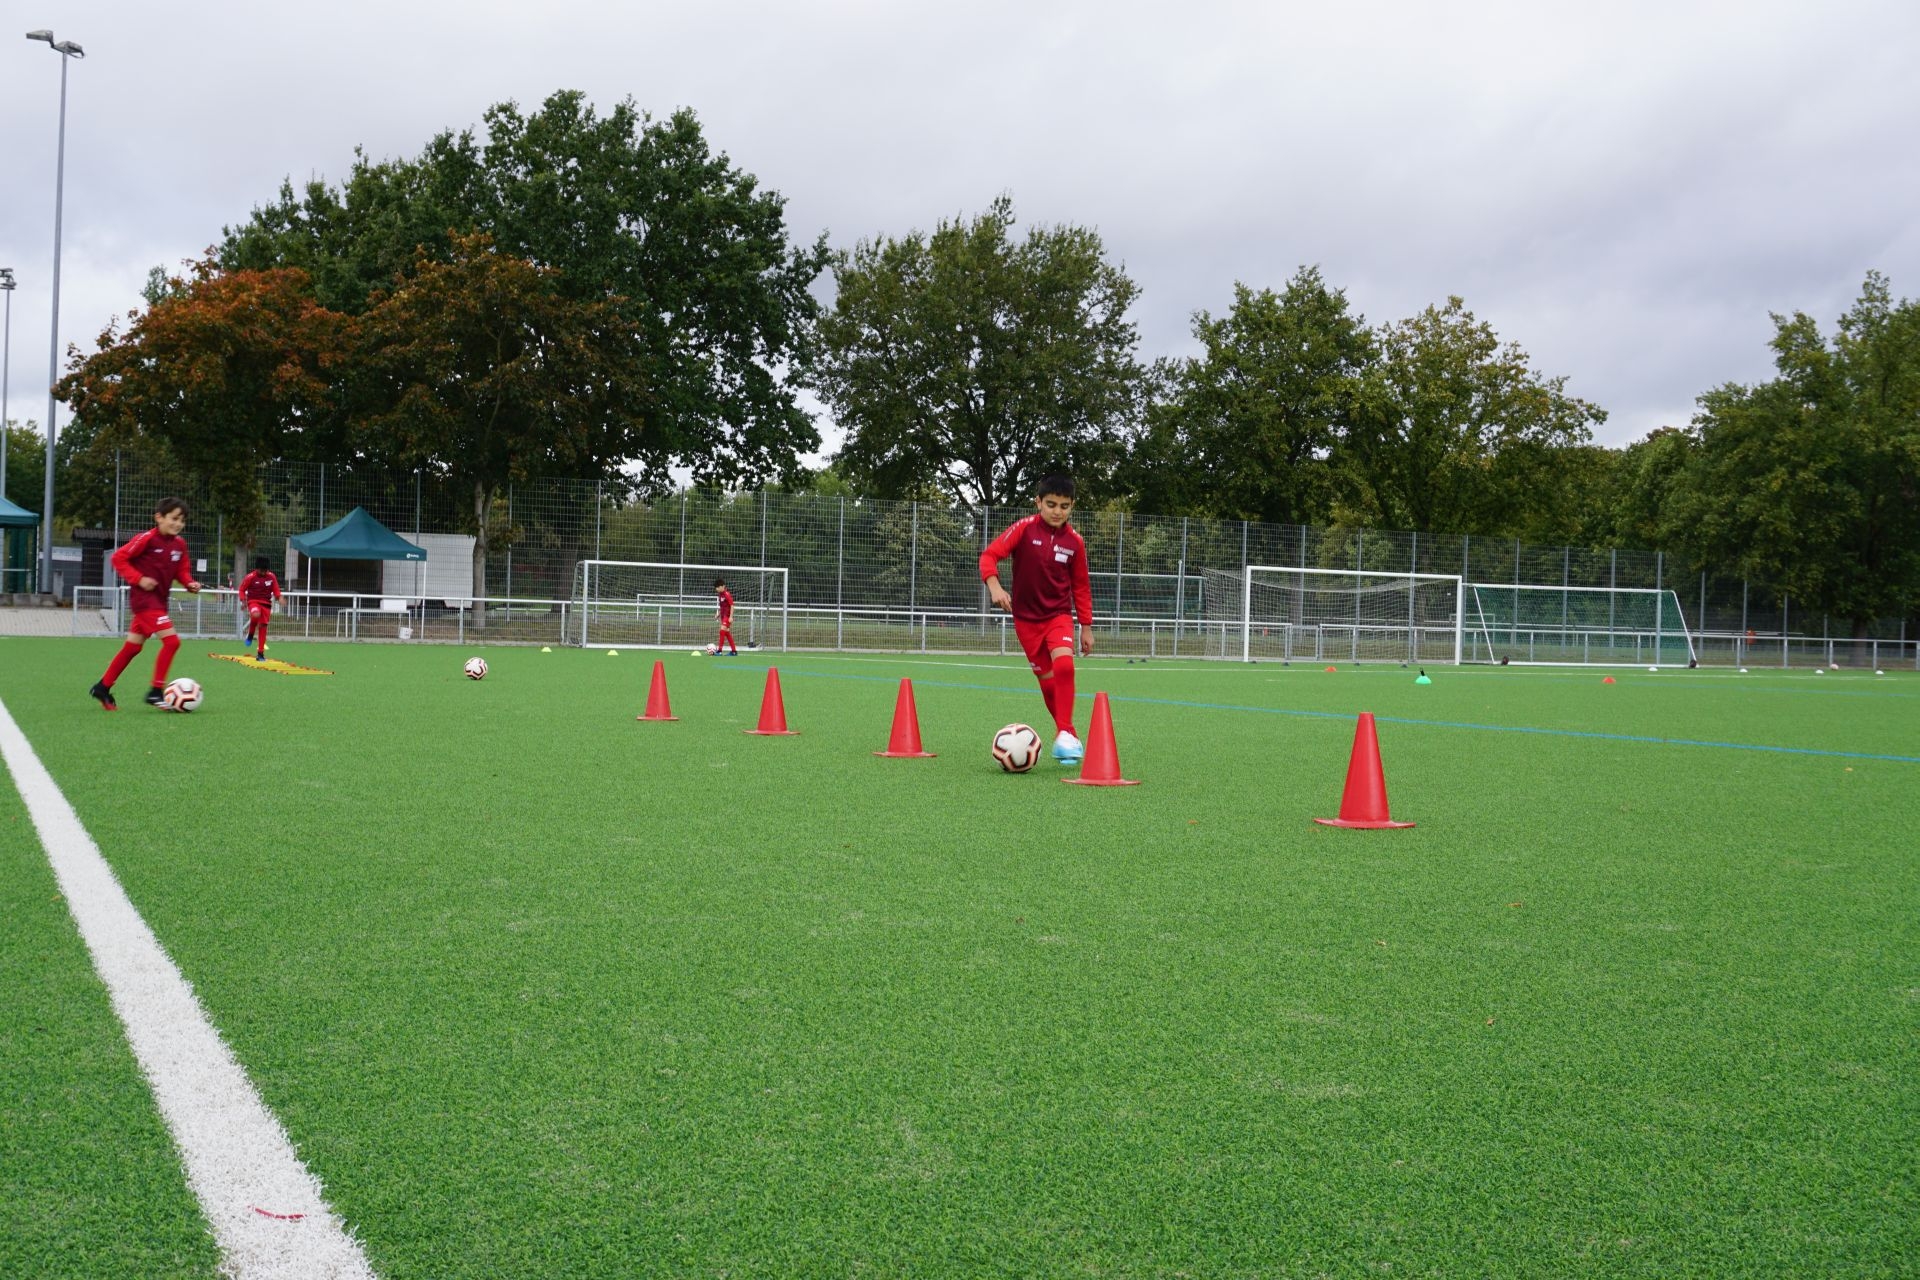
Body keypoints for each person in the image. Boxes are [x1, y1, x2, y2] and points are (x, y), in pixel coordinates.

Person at [979, 473, 1095, 764]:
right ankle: (1068, 733)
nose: (1057, 511)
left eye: (1064, 506)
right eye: (1051, 504)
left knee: (1064, 665)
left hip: (1058, 615)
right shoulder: (1024, 529)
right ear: (1038, 502)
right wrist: (995, 587)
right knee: (1046, 680)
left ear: (1072, 506)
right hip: (1026, 620)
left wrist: (1086, 627)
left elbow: (1081, 586)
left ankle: (1064, 734)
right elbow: (989, 556)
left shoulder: (1075, 542)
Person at [90, 496, 203, 710]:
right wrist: (139, 579)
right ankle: (155, 691)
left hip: (159, 602)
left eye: (182, 520)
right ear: (159, 517)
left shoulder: (180, 544)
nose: (178, 524)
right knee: (172, 642)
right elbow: (118, 558)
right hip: (144, 602)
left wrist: (190, 583)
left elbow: (182, 571)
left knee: (132, 647)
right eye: (174, 518)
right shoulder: (146, 539)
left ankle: (102, 687)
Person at [237, 554, 283, 662]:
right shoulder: (250, 577)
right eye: (261, 570)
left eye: (265, 570)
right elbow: (241, 590)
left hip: (266, 604)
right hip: (253, 602)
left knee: (263, 627)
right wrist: (243, 600)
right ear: (256, 568)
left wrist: (279, 597)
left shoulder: (271, 577)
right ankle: (250, 634)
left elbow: (276, 590)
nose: (263, 573)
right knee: (255, 614)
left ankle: (260, 653)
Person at [713, 577, 739, 655]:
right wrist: (718, 614)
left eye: (717, 587)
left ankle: (719, 651)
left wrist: (731, 617)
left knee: (722, 631)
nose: (716, 589)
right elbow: (722, 607)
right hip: (723, 616)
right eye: (716, 588)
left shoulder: (727, 594)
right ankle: (734, 651)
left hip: (727, 616)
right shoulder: (720, 595)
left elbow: (732, 605)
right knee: (727, 633)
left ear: (722, 586)